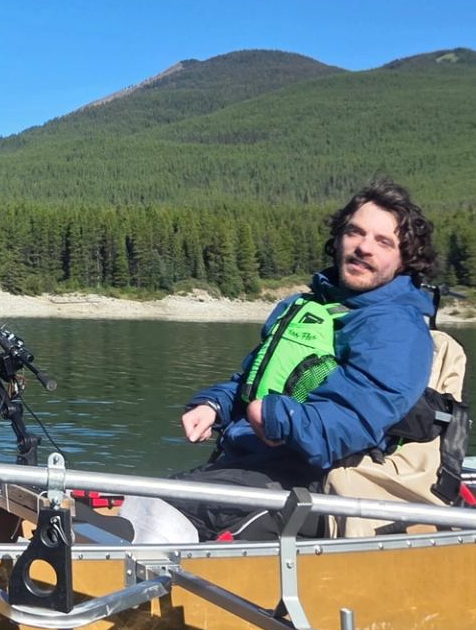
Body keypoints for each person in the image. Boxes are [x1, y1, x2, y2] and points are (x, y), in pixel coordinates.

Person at [173, 180, 439, 539]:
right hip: (250, 463)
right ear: (339, 238)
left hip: (309, 481)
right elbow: (252, 379)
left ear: (404, 258)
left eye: (383, 241)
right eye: (355, 233)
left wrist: (275, 418)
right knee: (153, 500)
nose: (363, 248)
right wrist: (215, 406)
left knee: (167, 512)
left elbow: (354, 418)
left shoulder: (395, 329)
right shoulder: (311, 309)